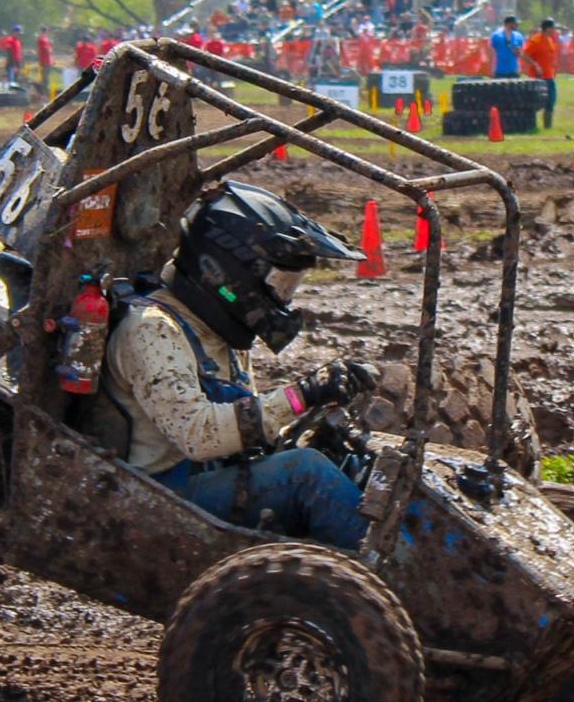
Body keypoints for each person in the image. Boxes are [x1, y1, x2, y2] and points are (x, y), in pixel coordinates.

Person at [105, 181, 375, 552]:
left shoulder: (215, 332)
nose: (283, 299)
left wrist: (311, 409)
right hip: (160, 499)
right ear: (225, 272)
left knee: (350, 461)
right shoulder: (152, 329)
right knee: (307, 474)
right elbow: (198, 435)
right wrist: (301, 395)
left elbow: (241, 424)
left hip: (209, 479)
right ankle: (395, 578)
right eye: (278, 284)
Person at [522, 18, 559, 127]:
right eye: (553, 28)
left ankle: (548, 126)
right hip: (538, 77)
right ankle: (530, 124)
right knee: (536, 103)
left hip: (550, 76)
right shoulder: (536, 40)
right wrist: (536, 65)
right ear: (547, 28)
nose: (555, 30)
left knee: (551, 101)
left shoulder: (550, 40)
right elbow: (525, 54)